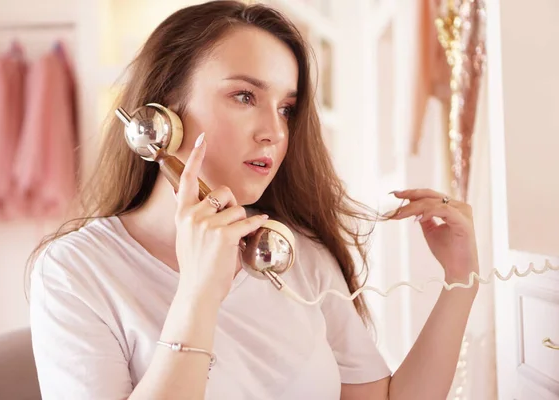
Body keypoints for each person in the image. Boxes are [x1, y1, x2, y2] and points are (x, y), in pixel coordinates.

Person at [28, 1, 480, 399]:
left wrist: (461, 280)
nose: (275, 131)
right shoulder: (75, 271)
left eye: (286, 108)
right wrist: (199, 293)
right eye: (245, 96)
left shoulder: (290, 252)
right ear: (162, 114)